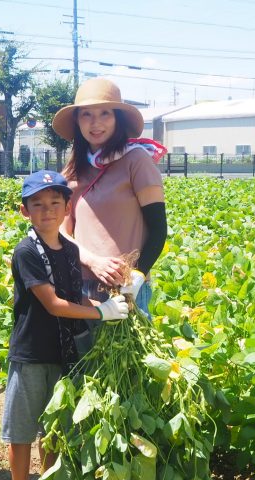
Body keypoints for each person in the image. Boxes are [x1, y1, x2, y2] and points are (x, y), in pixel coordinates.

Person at [2, 170, 140, 480]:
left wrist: (112, 303)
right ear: (24, 211)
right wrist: (100, 312)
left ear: (67, 208)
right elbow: (53, 304)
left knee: (52, 427)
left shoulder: (71, 249)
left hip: (64, 352)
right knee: (21, 429)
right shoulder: (26, 251)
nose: (47, 210)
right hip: (31, 351)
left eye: (54, 203)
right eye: (37, 204)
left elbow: (72, 294)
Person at [52, 77, 168, 316]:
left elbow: (159, 229)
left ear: (118, 119)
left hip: (127, 286)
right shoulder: (72, 171)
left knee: (130, 352)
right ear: (77, 122)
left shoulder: (137, 161)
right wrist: (93, 261)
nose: (96, 123)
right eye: (86, 115)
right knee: (87, 352)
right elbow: (62, 232)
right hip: (83, 286)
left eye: (105, 113)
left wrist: (136, 276)